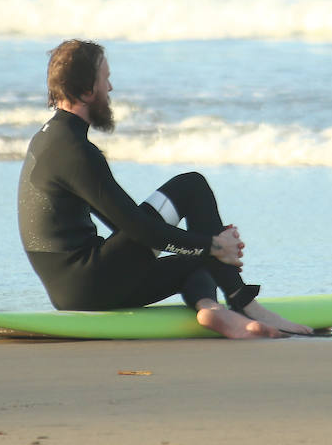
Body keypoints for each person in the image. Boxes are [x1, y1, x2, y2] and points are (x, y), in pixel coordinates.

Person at [17, 39, 309, 339]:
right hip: (89, 282)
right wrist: (214, 245)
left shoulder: (48, 139)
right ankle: (245, 303)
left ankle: (212, 309)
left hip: (72, 289)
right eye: (106, 79)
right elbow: (138, 228)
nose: (111, 88)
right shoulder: (75, 151)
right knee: (191, 186)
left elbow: (124, 223)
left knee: (197, 261)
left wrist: (203, 246)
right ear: (88, 90)